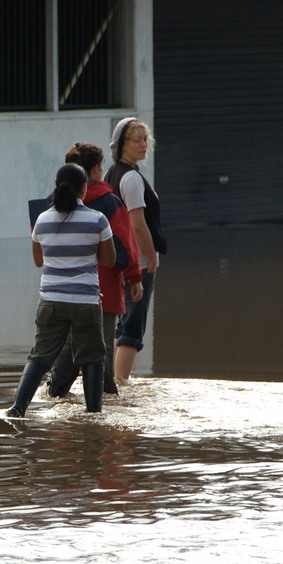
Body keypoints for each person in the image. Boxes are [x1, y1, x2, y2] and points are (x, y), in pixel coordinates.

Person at [6, 163, 115, 418]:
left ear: (57, 188)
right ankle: (93, 415)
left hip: (51, 301)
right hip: (85, 302)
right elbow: (109, 260)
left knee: (40, 355)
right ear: (84, 189)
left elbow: (39, 261)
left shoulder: (42, 220)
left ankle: (18, 408)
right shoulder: (97, 219)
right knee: (91, 357)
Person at [47, 142, 144, 399]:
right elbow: (125, 245)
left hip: (61, 293)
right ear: (97, 170)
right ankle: (105, 401)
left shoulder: (51, 204)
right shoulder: (110, 203)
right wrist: (135, 277)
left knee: (68, 349)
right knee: (100, 352)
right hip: (104, 290)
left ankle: (55, 393)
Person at [105, 117, 167, 386]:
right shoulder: (130, 178)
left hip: (119, 262)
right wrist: (152, 257)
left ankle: (111, 382)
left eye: (145, 139)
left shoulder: (113, 173)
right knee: (133, 328)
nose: (144, 145)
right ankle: (120, 384)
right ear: (121, 145)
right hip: (137, 263)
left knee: (121, 325)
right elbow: (137, 224)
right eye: (136, 140)